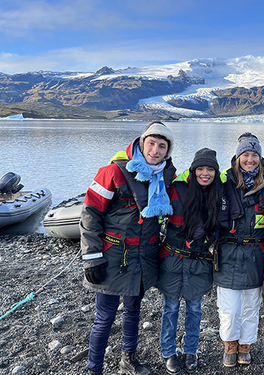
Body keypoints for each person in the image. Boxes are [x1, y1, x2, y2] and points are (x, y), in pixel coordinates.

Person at [80, 121, 176, 375]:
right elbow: (90, 213)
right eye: (151, 143)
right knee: (105, 318)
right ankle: (94, 369)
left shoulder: (167, 174)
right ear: (141, 143)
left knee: (133, 311)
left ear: (168, 150)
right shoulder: (113, 172)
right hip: (113, 257)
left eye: (162, 146)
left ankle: (128, 359)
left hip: (144, 257)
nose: (155, 150)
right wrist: (92, 257)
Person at [157, 148, 226, 374]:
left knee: (195, 309)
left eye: (210, 169)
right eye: (200, 169)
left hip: (199, 261)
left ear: (215, 172)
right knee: (171, 308)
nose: (205, 173)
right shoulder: (177, 188)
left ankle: (190, 350)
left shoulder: (219, 194)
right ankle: (168, 352)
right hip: (173, 259)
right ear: (193, 170)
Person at [213, 132, 264, 367]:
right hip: (228, 251)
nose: (250, 159)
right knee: (229, 307)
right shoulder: (223, 182)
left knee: (251, 305)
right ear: (238, 156)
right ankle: (229, 343)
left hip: (256, 254)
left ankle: (245, 345)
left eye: (254, 155)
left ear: (260, 157)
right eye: (245, 154)